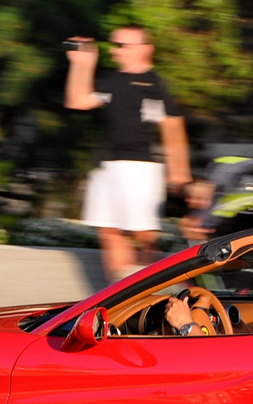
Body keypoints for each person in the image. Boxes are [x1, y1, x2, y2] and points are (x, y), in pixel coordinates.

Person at [64, 26, 191, 282]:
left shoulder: (153, 84)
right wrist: (81, 64)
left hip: (140, 168)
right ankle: (118, 294)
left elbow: (172, 128)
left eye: (123, 45)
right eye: (115, 45)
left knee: (144, 237)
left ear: (145, 49)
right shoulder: (112, 82)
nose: (115, 50)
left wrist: (180, 174)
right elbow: (77, 100)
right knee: (109, 232)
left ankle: (162, 289)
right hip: (106, 167)